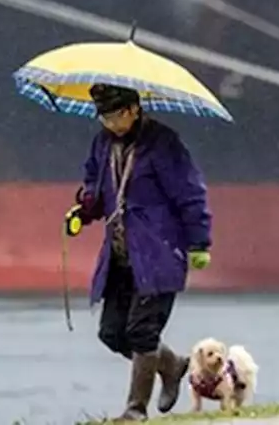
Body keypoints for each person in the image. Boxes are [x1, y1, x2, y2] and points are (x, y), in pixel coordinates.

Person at [72, 82, 213, 421]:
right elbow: (94, 184)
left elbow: (189, 193)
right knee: (112, 333)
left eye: (114, 116)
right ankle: (173, 365)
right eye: (103, 117)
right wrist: (85, 207)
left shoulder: (164, 144)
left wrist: (199, 242)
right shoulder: (102, 143)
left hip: (158, 252)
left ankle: (135, 411)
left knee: (141, 332)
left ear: (134, 110)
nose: (108, 123)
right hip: (121, 255)